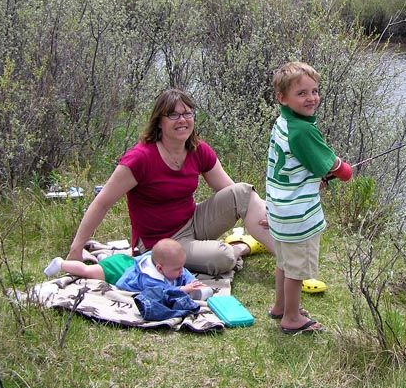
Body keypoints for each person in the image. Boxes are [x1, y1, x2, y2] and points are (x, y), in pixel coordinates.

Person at [66, 89, 275, 276]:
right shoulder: (140, 159)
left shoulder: (198, 150)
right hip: (161, 242)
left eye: (187, 113)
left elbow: (233, 193)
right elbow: (102, 203)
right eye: (173, 115)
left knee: (244, 192)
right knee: (223, 258)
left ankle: (288, 259)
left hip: (193, 221)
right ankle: (240, 246)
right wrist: (76, 249)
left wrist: (275, 217)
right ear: (159, 121)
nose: (182, 120)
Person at [266, 62, 352, 334]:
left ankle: (281, 306)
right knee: (296, 269)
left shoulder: (284, 122)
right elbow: (336, 167)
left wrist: (317, 177)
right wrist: (344, 170)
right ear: (282, 98)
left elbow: (299, 163)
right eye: (302, 93)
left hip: (280, 209)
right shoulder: (303, 130)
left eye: (314, 91)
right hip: (298, 215)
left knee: (284, 262)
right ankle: (291, 318)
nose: (311, 98)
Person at [45, 238, 213, 299]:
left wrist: (194, 283)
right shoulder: (149, 278)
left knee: (105, 262)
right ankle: (61, 263)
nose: (181, 271)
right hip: (117, 271)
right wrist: (184, 289)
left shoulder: (171, 266)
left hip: (127, 262)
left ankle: (103, 256)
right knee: (89, 272)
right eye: (178, 269)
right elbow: (162, 293)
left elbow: (185, 274)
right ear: (160, 269)